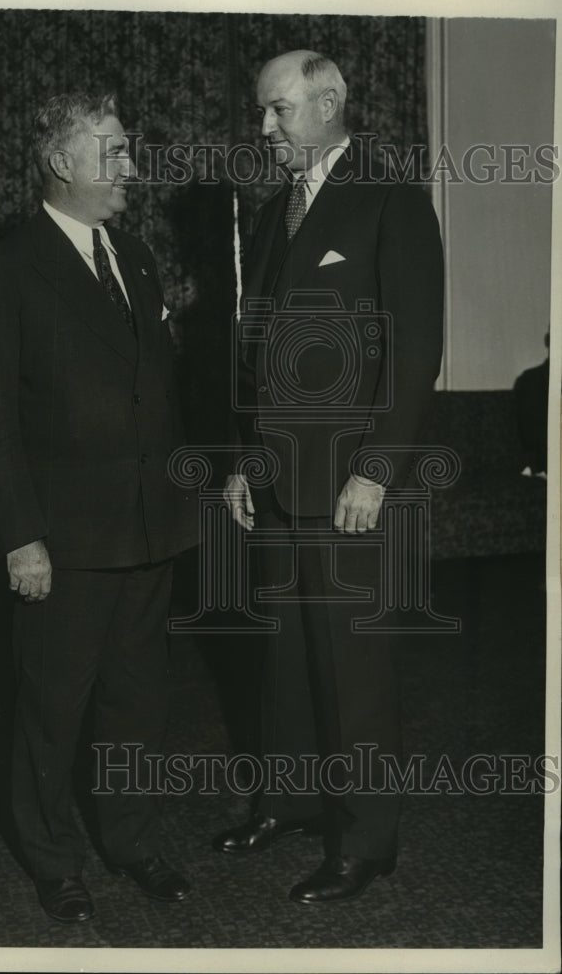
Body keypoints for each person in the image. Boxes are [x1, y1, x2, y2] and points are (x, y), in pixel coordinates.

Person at [0, 93, 198, 924]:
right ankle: (53, 858)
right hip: (61, 541)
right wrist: (21, 536)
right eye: (115, 151)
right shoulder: (9, 269)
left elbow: (154, 389)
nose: (132, 166)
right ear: (62, 163)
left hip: (147, 529)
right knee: (52, 712)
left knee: (138, 703)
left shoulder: (135, 255)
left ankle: (130, 840)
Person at [215, 51, 445, 903]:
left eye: (277, 111)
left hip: (351, 483)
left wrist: (378, 472)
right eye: (262, 112)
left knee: (351, 670)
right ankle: (289, 803)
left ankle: (365, 840)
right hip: (277, 479)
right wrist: (246, 459)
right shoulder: (276, 212)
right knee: (281, 655)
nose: (263, 128)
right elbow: (257, 350)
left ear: (330, 103)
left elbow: (415, 354)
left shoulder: (393, 203)